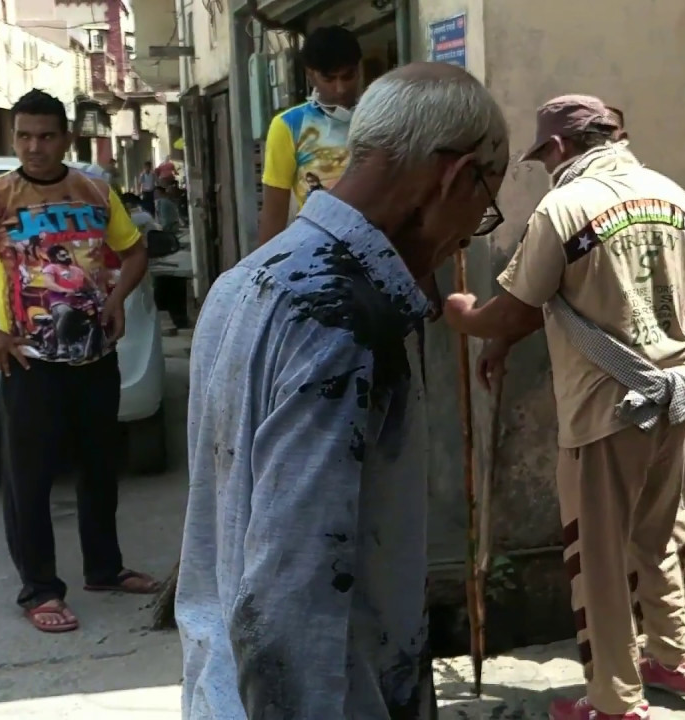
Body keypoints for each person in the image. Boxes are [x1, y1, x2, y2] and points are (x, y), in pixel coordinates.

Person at [176, 62, 508, 719]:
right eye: (484, 204)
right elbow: (291, 595)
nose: (466, 236)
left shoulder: (246, 278)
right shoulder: (342, 315)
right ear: (456, 174)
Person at [443, 95, 685, 720]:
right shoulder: (677, 198)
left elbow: (516, 304)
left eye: (541, 158)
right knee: (657, 531)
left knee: (596, 555)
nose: (542, 169)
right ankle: (675, 657)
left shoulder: (564, 207)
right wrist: (507, 337)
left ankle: (615, 699)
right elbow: (684, 303)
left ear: (559, 148)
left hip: (603, 411)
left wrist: (470, 320)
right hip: (676, 394)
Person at [0, 88, 160, 634]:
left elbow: (135, 250)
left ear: (66, 138)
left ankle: (104, 568)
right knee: (30, 481)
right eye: (24, 136)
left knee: (100, 469)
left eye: (46, 136)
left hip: (95, 357)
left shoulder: (96, 191)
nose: (35, 146)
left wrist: (118, 300)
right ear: (15, 138)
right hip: (29, 363)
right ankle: (41, 590)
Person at [604, 104, 685, 675]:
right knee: (657, 516)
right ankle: (673, 637)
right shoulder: (658, 202)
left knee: (661, 519)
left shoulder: (656, 203)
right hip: (654, 378)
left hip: (649, 382)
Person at [257, 25, 362, 246]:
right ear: (311, 75)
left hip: (379, 253)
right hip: (319, 255)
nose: (340, 88)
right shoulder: (289, 126)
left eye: (347, 76)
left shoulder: (381, 118)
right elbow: (274, 214)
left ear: (359, 69)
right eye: (329, 79)